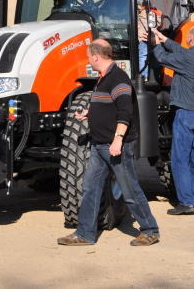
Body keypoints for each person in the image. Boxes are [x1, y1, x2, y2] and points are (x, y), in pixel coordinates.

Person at [57, 39, 160, 247]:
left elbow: (125, 113)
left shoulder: (118, 79)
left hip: (114, 146)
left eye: (88, 56)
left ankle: (150, 229)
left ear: (96, 56)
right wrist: (89, 113)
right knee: (90, 188)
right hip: (98, 145)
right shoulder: (102, 79)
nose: (88, 60)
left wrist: (118, 140)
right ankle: (85, 233)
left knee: (129, 189)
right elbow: (107, 106)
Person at [151, 25, 194, 215]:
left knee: (180, 159)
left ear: (189, 38)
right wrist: (165, 40)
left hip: (186, 112)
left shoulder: (189, 58)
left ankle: (186, 202)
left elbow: (163, 58)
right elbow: (185, 54)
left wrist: (156, 44)